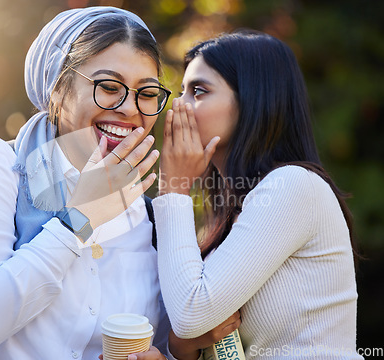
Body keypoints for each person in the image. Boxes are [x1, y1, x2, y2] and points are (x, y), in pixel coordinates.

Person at [0, 6, 172, 360]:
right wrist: (80, 219)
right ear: (57, 89)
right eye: (109, 87)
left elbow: (152, 339)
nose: (130, 108)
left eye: (146, 94)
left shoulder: (143, 215)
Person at [151, 31, 362, 360]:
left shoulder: (293, 186)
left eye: (199, 91)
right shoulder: (236, 206)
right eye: (181, 91)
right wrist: (181, 349)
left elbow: (190, 313)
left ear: (252, 99)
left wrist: (174, 188)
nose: (180, 105)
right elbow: (200, 328)